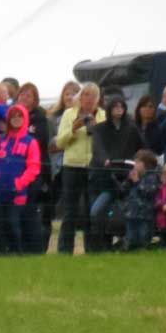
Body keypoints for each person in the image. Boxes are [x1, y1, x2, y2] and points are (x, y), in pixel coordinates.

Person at [0, 104, 42, 255]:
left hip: (18, 192)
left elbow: (34, 167)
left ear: (25, 118)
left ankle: (17, 253)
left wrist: (20, 183)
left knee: (14, 224)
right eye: (13, 116)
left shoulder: (31, 142)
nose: (16, 119)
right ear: (8, 119)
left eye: (19, 116)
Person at [54, 82, 105, 254]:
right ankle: (64, 250)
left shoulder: (103, 115)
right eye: (86, 94)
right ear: (80, 97)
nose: (89, 99)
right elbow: (60, 142)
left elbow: (106, 142)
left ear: (98, 99)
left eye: (93, 95)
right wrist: (74, 129)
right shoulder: (69, 114)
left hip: (93, 167)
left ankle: (91, 249)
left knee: (91, 209)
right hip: (72, 166)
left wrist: (96, 127)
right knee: (70, 211)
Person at [88, 95, 142, 250]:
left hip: (125, 180)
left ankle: (122, 244)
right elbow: (98, 149)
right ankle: (99, 247)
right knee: (97, 212)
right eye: (115, 107)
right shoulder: (99, 129)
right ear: (109, 109)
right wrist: (105, 160)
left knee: (121, 214)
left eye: (121, 107)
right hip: (103, 178)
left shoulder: (131, 128)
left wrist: (139, 163)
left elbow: (142, 147)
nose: (118, 110)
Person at [17, 82, 52, 253]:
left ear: (35, 99)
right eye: (21, 94)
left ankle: (38, 248)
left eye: (28, 95)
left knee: (35, 209)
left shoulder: (40, 117)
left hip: (36, 170)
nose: (24, 98)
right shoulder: (13, 115)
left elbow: (38, 140)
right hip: (17, 170)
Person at [119, 149, 161, 250]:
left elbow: (148, 192)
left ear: (146, 164)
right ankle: (129, 248)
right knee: (131, 236)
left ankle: (143, 249)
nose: (135, 165)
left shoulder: (152, 177)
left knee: (143, 237)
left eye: (138, 163)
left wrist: (137, 182)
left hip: (145, 214)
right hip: (132, 212)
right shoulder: (133, 176)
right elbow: (123, 190)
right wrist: (129, 181)